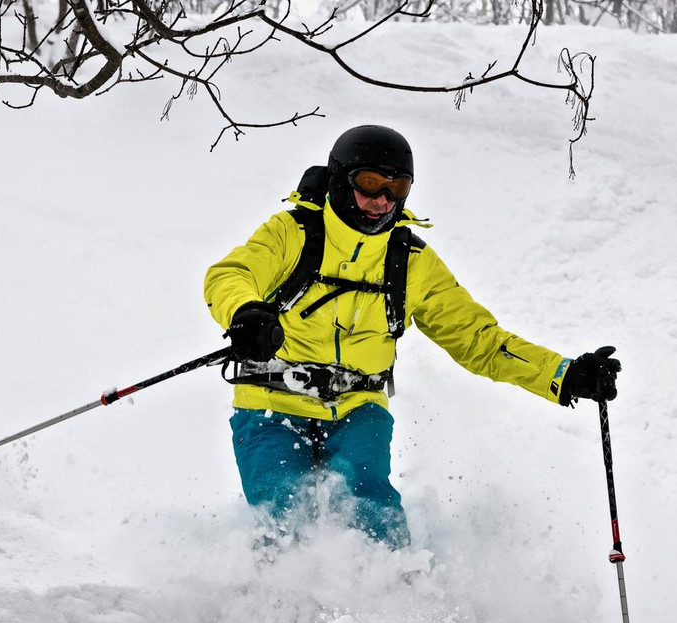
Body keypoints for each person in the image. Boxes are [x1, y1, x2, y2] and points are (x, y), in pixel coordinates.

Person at [204, 124, 619, 550]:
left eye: (396, 186)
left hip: (357, 406)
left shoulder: (409, 260)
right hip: (272, 401)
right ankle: (270, 606)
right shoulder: (293, 232)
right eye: (369, 183)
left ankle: (395, 600)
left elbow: (478, 339)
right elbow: (231, 275)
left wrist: (563, 375)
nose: (382, 199)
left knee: (370, 506)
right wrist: (245, 314)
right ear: (339, 178)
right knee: (282, 508)